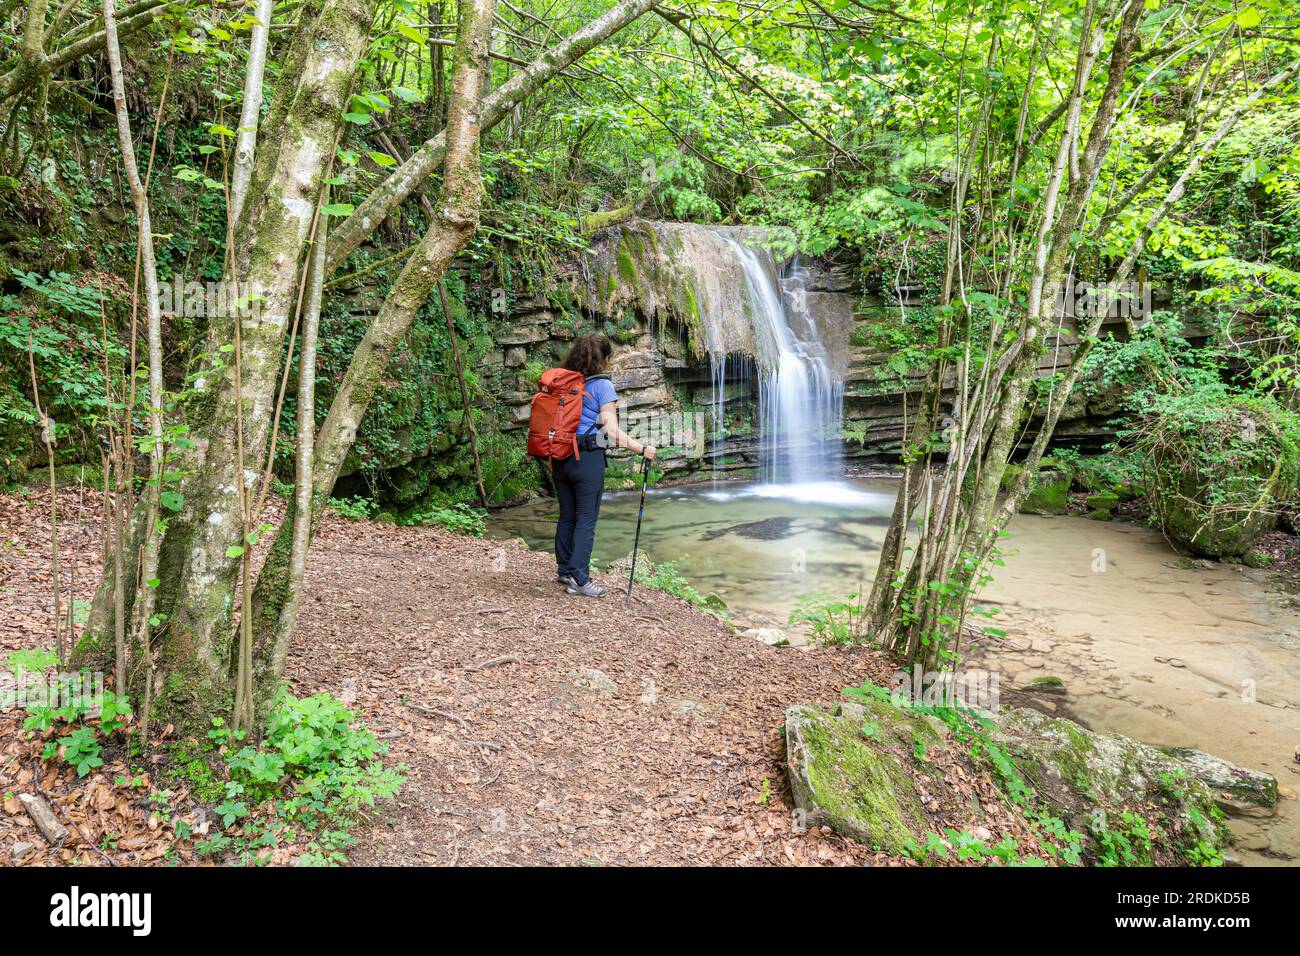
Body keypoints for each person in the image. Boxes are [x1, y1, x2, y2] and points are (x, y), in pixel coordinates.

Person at [552, 334, 656, 597]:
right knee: (586, 519)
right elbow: (610, 429)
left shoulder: (563, 381)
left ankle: (565, 570)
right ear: (605, 359)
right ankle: (580, 580)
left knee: (567, 515)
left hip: (560, 455)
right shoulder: (602, 387)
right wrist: (641, 449)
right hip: (586, 459)